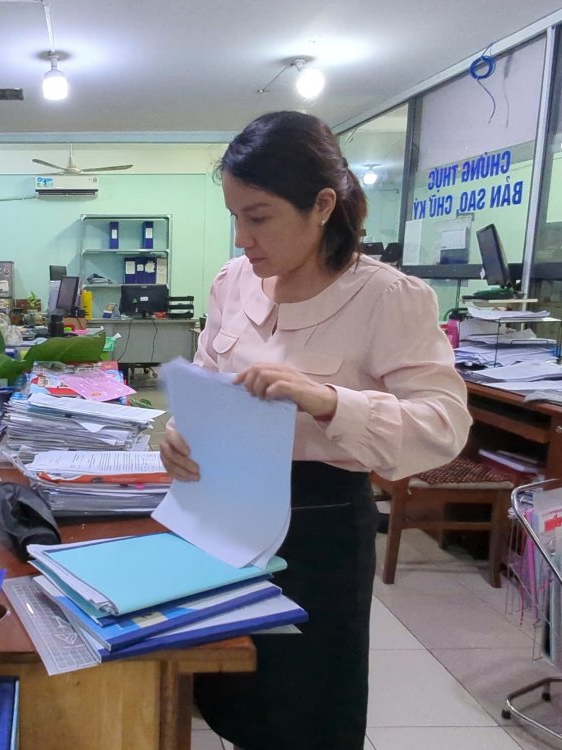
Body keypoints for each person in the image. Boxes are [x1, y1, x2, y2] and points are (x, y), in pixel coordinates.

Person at [159, 111, 472, 750]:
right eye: (235, 216)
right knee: (225, 689)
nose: (243, 238)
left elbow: (444, 425)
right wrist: (180, 428)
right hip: (222, 515)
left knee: (305, 711)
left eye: (259, 217)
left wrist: (331, 402)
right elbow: (207, 376)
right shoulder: (233, 282)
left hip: (320, 531)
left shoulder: (387, 297)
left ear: (323, 205)